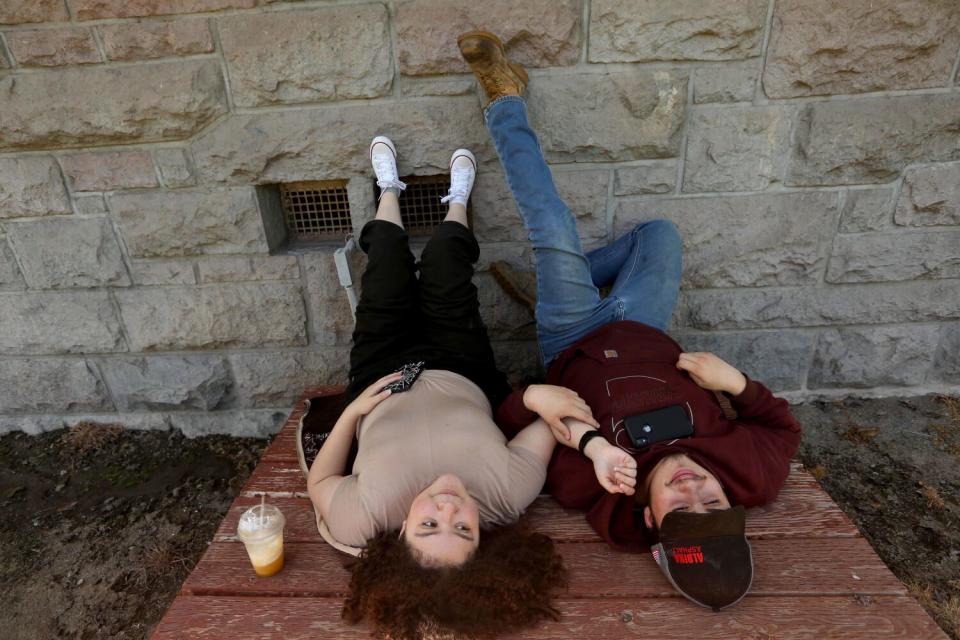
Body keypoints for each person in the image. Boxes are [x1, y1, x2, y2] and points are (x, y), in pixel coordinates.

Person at [457, 31, 803, 611]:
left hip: (574, 336)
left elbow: (514, 427)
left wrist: (583, 438)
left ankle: (503, 99)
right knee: (659, 234)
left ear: (648, 515)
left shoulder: (591, 484)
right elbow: (782, 428)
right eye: (713, 504)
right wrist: (734, 384)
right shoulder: (753, 473)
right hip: (644, 326)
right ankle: (554, 281)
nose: (693, 488)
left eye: (680, 509)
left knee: (551, 223)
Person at [301, 135, 589, 637]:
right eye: (462, 528)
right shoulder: (507, 494)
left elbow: (320, 483)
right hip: (461, 366)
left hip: (380, 371)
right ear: (484, 537)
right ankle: (457, 201)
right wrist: (548, 406)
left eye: (428, 526)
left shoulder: (364, 519)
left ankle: (388, 191)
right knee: (443, 268)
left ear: (399, 538)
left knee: (387, 265)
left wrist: (352, 413)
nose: (448, 509)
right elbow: (555, 419)